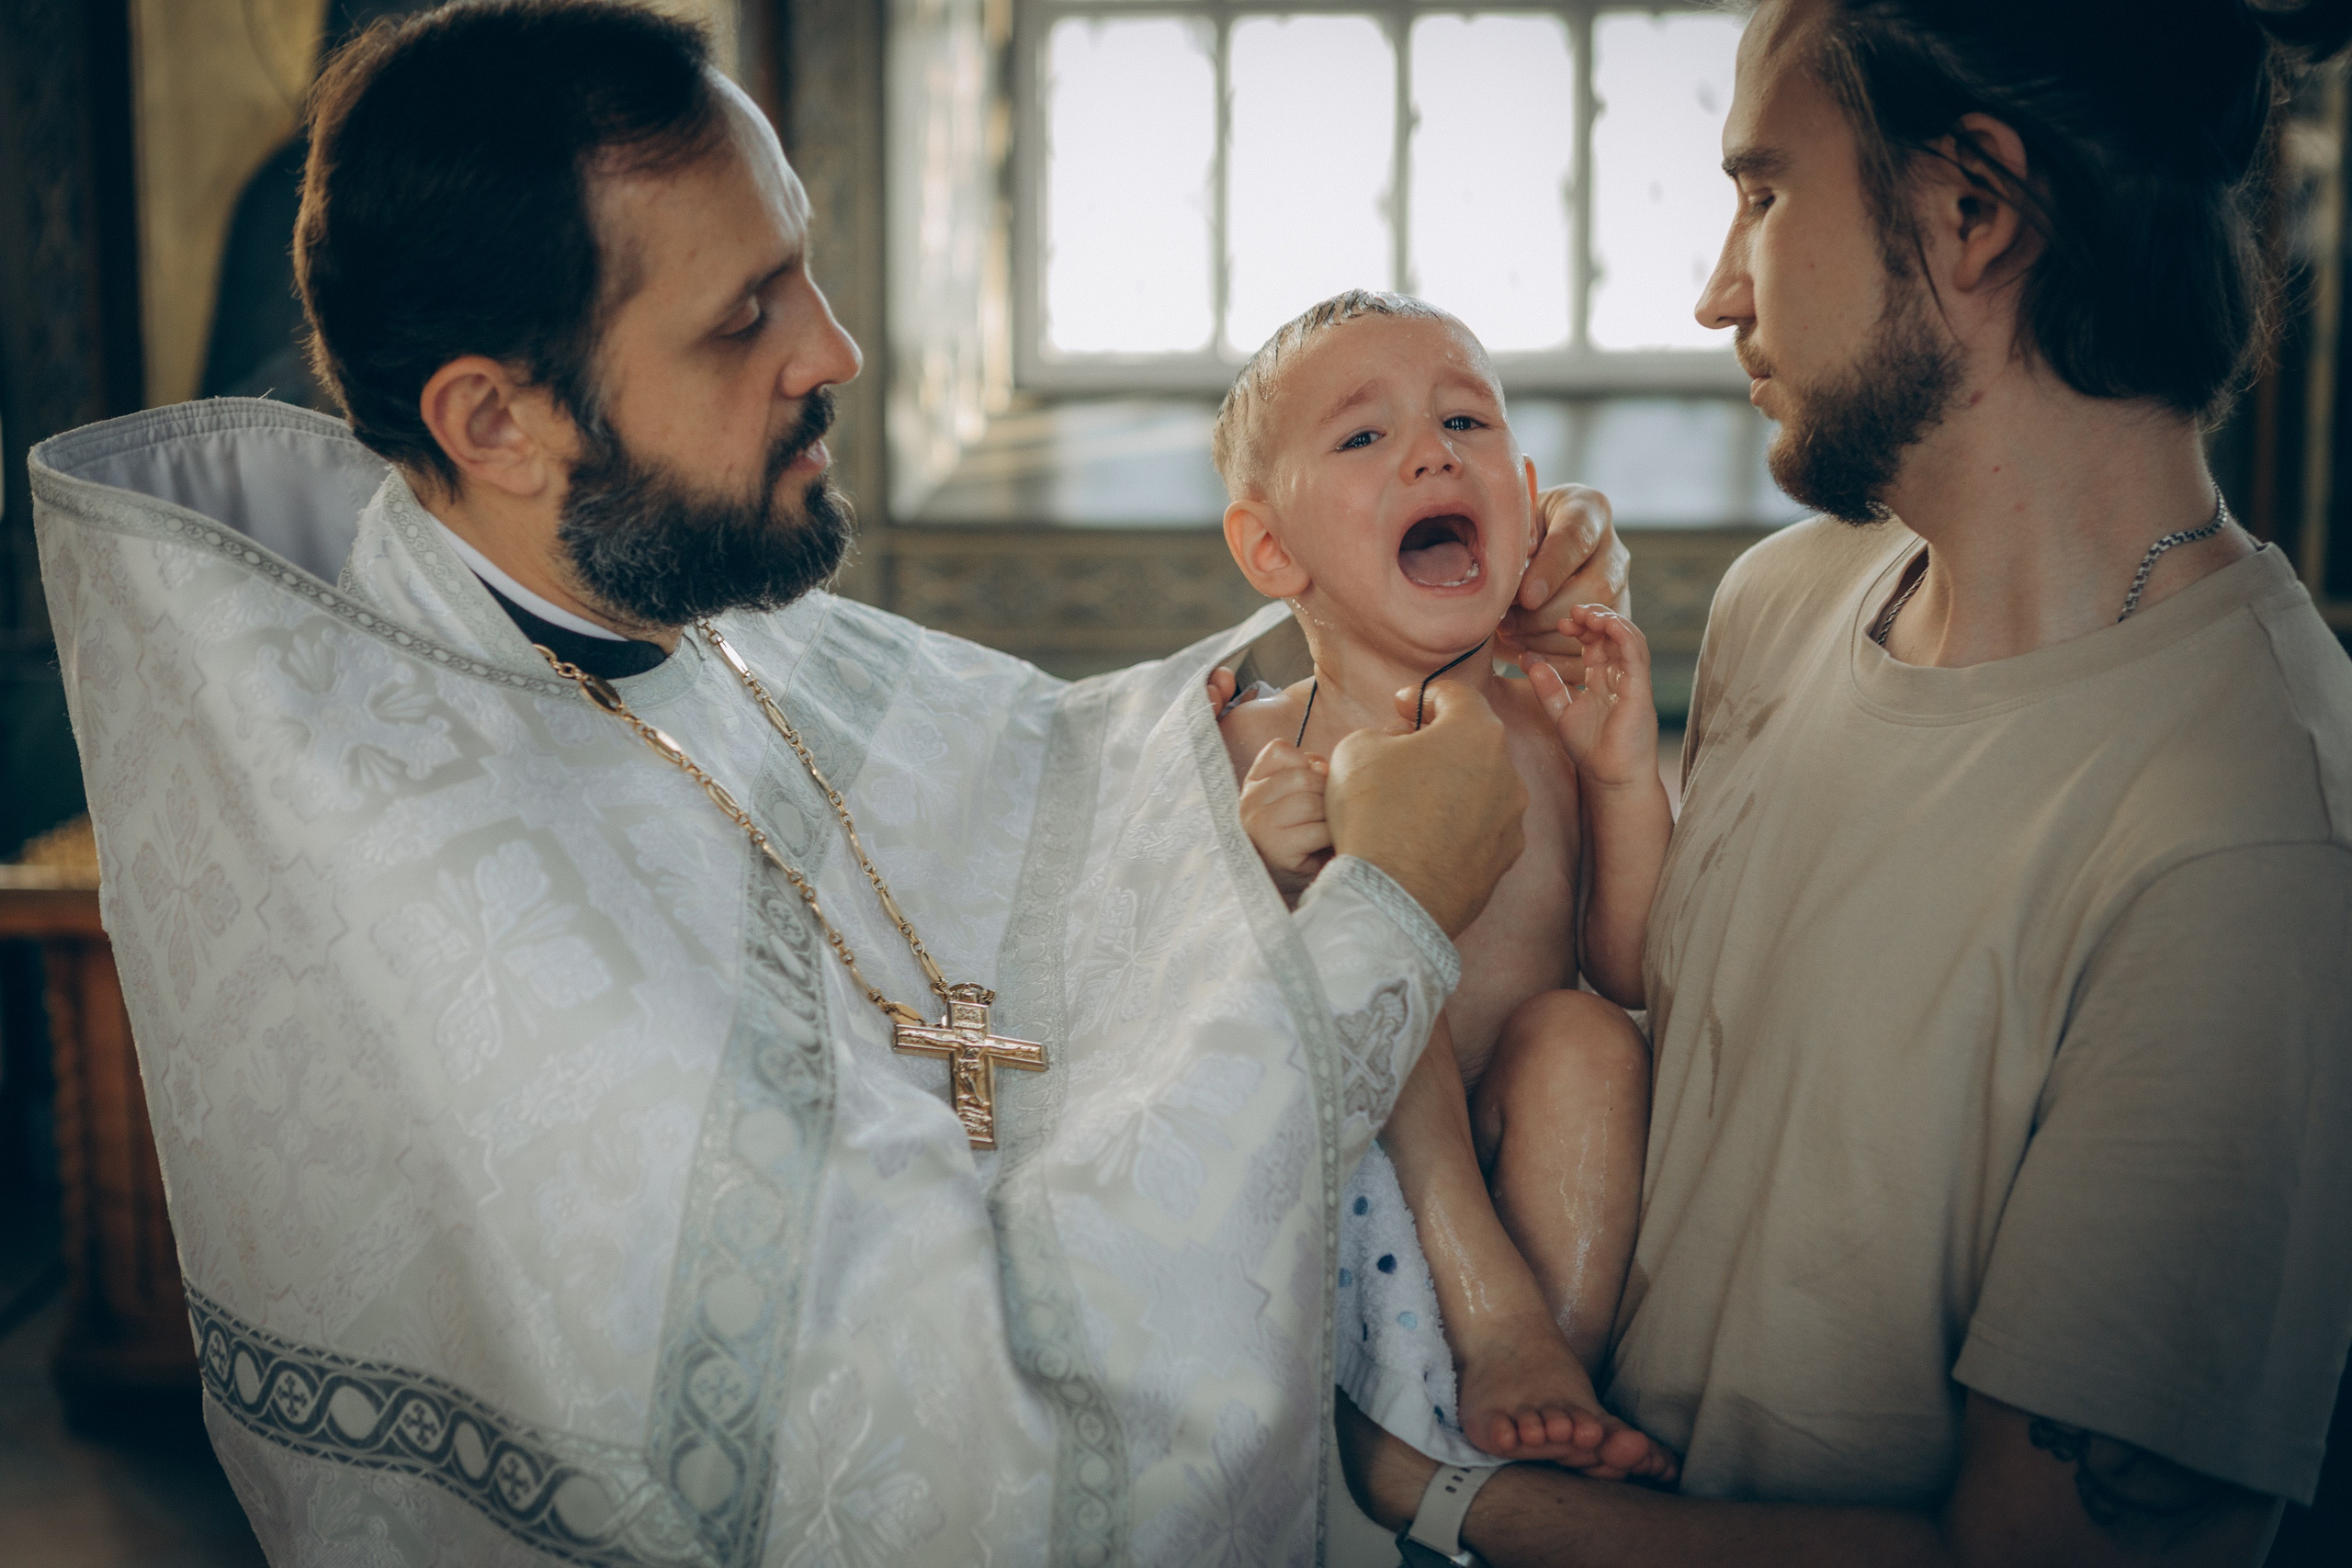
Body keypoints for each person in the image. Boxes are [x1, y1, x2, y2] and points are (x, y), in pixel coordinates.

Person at [27, 2, 1629, 1562]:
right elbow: (959, 1478)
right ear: (496, 420)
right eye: (746, 316)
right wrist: (1390, 905)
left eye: (799, 268)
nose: (837, 349)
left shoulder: (664, 607)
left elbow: (1049, 769)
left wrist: (1415, 659)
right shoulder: (457, 931)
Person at [1340, 1, 2352, 1563]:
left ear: (1972, 211)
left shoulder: (2250, 841)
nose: (1713, 292)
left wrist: (1439, 1490)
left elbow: (2028, 1556)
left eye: (1763, 192)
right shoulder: (1785, 600)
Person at [1203, 290, 1675, 1481]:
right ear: (1271, 550)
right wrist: (1259, 862)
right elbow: (1187, 986)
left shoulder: (1551, 715)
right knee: (1383, 937)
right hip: (1357, 1157)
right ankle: (1497, 1327)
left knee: (1587, 1034)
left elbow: (1629, 966)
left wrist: (1622, 779)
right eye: (1364, 437)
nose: (1429, 448)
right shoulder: (1246, 741)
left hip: (1527, 1140)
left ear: (1523, 504)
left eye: (1465, 421)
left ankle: (1539, 1380)